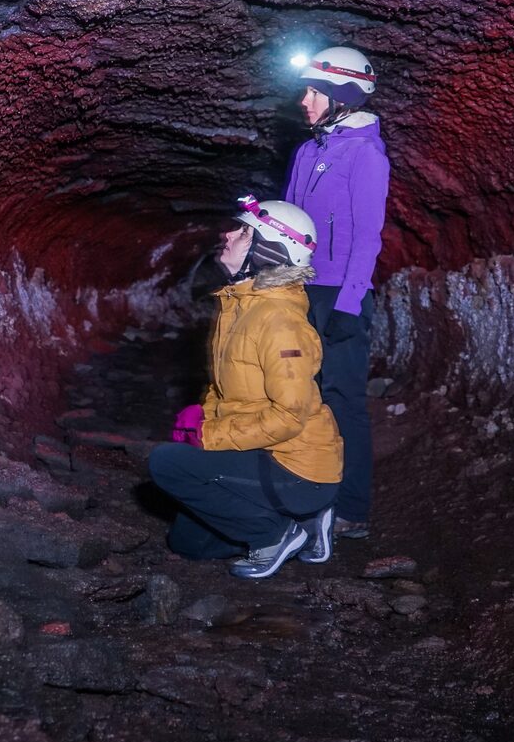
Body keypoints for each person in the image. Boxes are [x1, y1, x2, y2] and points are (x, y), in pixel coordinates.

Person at [149, 196, 342, 579]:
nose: (228, 234)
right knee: (188, 545)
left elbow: (288, 416)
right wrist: (203, 414)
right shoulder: (239, 303)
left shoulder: (280, 321)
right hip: (261, 453)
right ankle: (302, 523)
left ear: (267, 250)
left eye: (242, 231)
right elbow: (225, 386)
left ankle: (276, 533)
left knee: (166, 463)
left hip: (297, 466)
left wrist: (210, 435)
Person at [283, 45, 389, 540]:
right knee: (295, 394)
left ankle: (352, 508)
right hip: (302, 290)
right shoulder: (308, 150)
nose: (304, 101)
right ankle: (303, 493)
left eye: (314, 92)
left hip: (339, 296)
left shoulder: (365, 154)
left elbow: (367, 237)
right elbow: (289, 225)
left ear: (344, 95)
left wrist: (349, 305)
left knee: (343, 400)